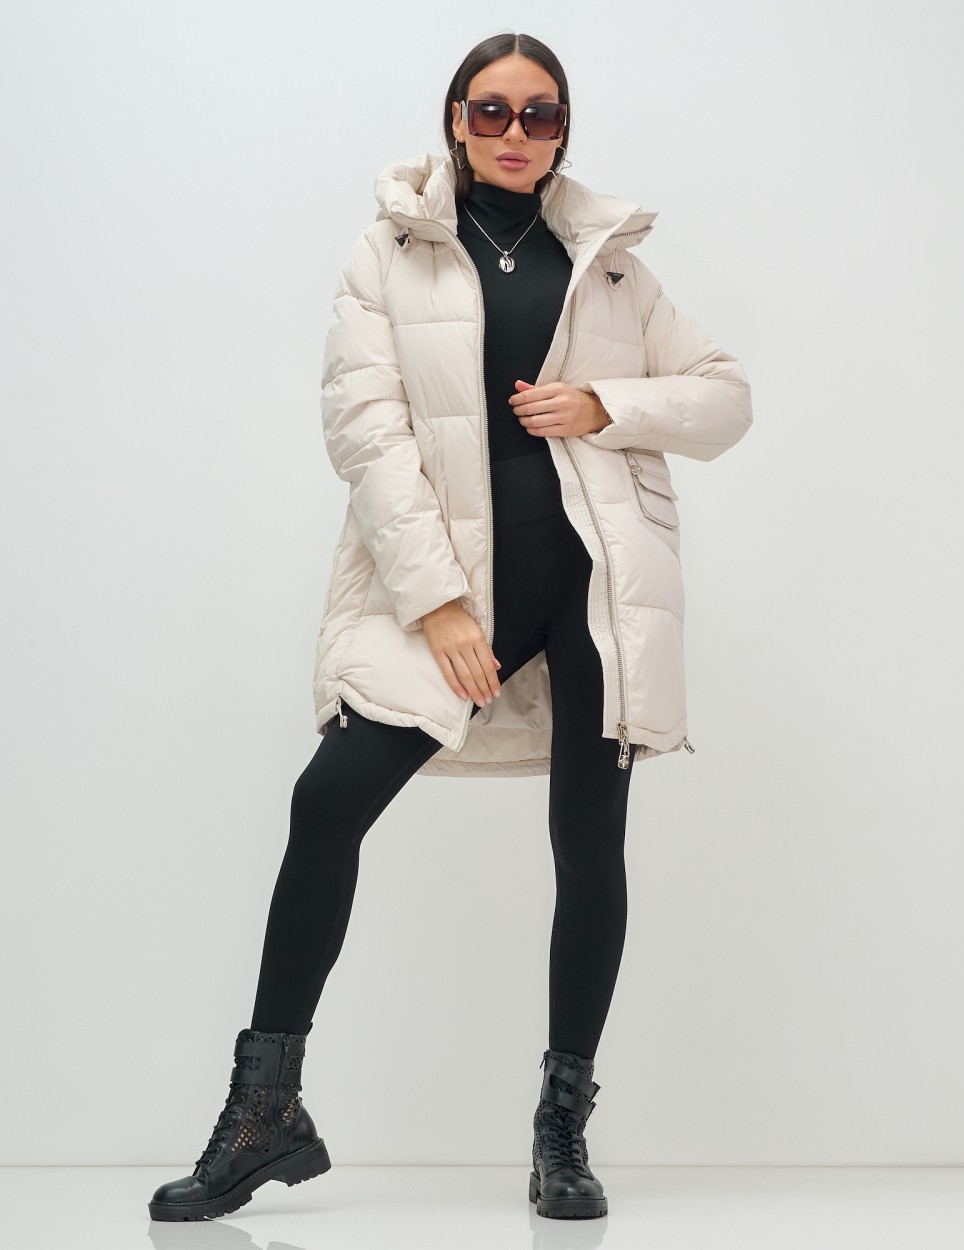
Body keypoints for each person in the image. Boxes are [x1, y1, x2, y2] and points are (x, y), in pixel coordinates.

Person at [148, 30, 753, 1224]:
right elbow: (365, 432)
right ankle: (266, 1111)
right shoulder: (391, 251)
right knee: (327, 800)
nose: (516, 133)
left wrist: (606, 402)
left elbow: (725, 395)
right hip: (458, 586)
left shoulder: (609, 265)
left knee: (588, 847)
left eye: (541, 113)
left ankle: (561, 1130)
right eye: (492, 111)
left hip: (595, 590)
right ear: (455, 119)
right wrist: (433, 600)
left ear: (564, 128)